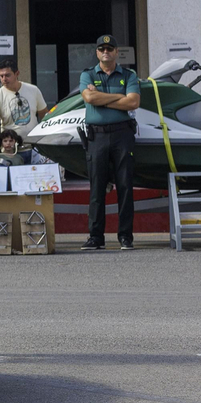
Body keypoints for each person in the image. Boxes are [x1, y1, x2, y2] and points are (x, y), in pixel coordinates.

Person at [79, 35, 140, 251]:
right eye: (102, 48)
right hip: (97, 136)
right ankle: (96, 237)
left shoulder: (129, 75)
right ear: (97, 52)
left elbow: (133, 102)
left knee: (125, 186)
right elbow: (89, 99)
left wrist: (101, 97)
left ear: (116, 52)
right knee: (97, 187)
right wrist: (118, 97)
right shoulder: (87, 74)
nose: (106, 51)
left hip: (122, 134)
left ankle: (125, 236)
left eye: (110, 48)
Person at [0, 57, 48, 145]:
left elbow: (45, 116)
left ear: (17, 73)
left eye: (7, 75)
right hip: (10, 147)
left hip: (33, 145)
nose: (4, 79)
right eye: (1, 76)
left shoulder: (33, 90)